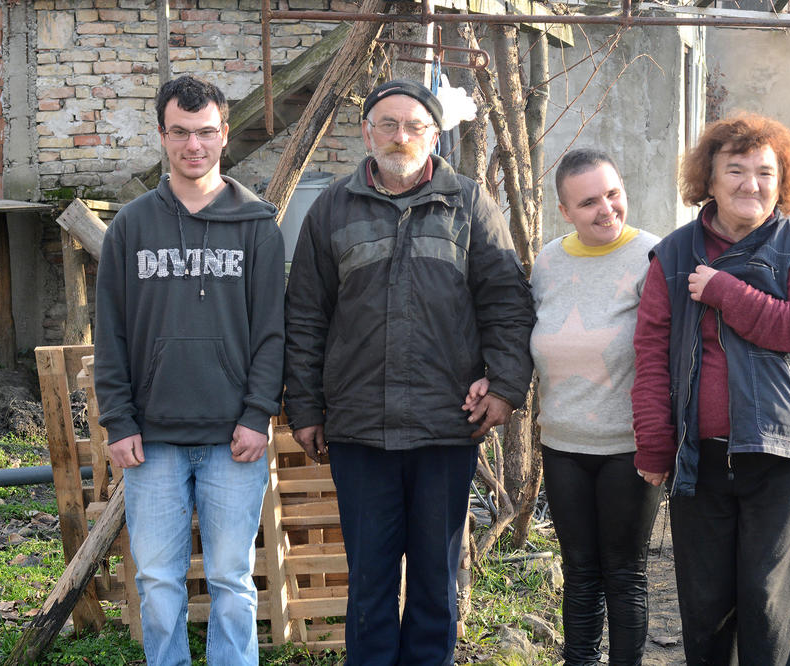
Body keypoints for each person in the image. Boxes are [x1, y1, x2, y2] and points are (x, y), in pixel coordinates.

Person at [282, 79, 535, 666]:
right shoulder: (331, 209)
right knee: (369, 583)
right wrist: (306, 407)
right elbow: (305, 316)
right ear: (366, 133)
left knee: (433, 583)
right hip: (359, 429)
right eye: (388, 124)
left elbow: (506, 301)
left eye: (414, 126)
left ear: (434, 134)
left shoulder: (468, 204)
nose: (401, 137)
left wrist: (504, 387)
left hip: (445, 426)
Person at [94, 75, 285, 666]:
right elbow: (110, 332)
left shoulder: (257, 225)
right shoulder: (130, 227)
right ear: (162, 135)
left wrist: (258, 413)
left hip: (234, 439)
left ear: (224, 134)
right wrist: (118, 420)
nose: (193, 146)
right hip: (151, 439)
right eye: (180, 133)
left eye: (204, 132)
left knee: (232, 579)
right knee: (157, 582)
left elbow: (272, 331)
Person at [632, 113, 790, 664]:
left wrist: (725, 290)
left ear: (782, 180)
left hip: (779, 454)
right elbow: (651, 354)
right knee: (705, 606)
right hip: (699, 456)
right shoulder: (674, 255)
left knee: (767, 605)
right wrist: (654, 442)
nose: (752, 184)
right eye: (736, 170)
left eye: (765, 172)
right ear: (710, 178)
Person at [532, 149, 664, 665]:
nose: (606, 209)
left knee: (624, 573)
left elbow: (669, 354)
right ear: (565, 211)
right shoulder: (547, 262)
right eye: (588, 202)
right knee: (579, 572)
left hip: (629, 449)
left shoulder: (654, 256)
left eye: (613, 194)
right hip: (561, 443)